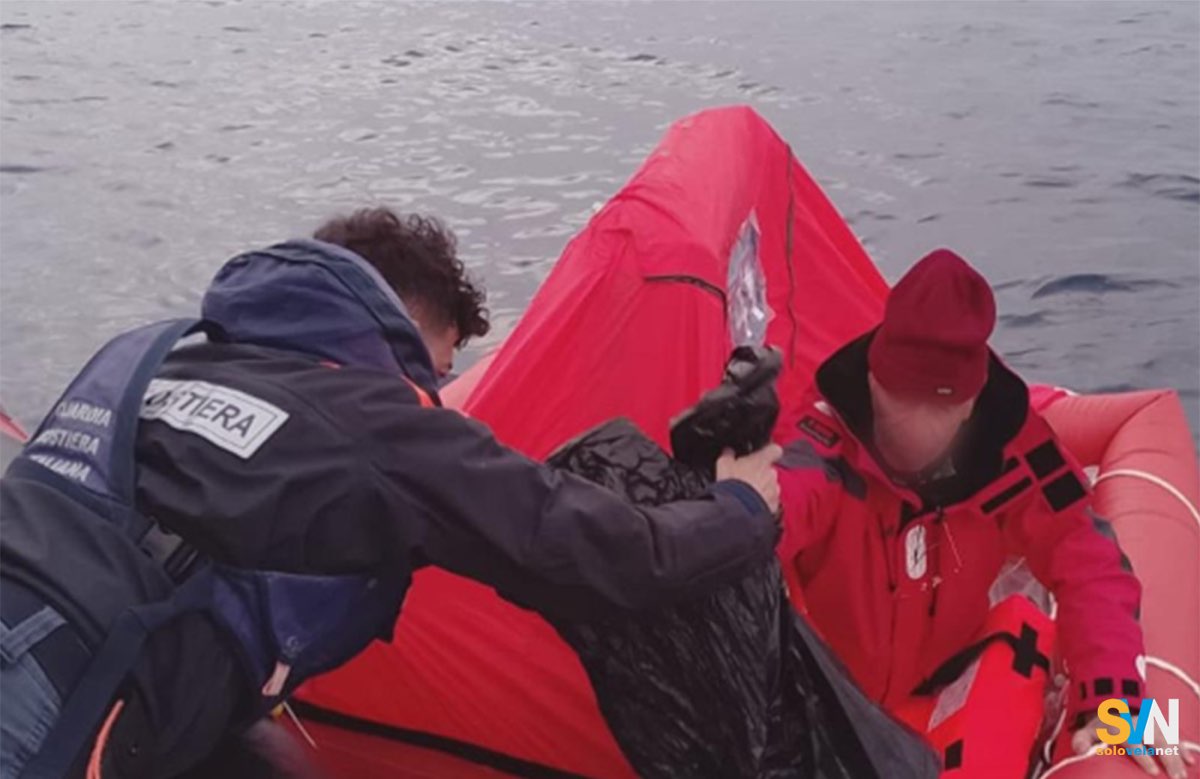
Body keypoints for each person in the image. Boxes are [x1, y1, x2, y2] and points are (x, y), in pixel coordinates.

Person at [0, 207, 783, 779]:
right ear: (399, 320)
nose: (437, 391)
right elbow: (598, 553)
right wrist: (743, 508)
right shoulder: (376, 423)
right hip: (52, 702)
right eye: (436, 364)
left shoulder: (155, 355)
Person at [773, 249, 1191, 778]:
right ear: (873, 380)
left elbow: (1092, 561)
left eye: (941, 408)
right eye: (902, 400)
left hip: (961, 674)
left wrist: (1120, 708)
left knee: (1147, 738)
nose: (918, 431)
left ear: (970, 405)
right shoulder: (819, 446)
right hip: (836, 698)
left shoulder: (1018, 449)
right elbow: (770, 514)